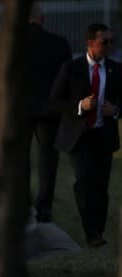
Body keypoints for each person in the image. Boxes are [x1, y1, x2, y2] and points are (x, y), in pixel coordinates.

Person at [50, 23, 122, 248]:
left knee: (101, 186)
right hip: (79, 137)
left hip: (104, 135)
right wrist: (80, 105)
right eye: (104, 42)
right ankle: (91, 232)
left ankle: (97, 232)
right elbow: (54, 101)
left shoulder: (116, 69)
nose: (109, 46)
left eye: (111, 41)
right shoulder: (72, 68)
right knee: (84, 182)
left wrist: (116, 110)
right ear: (90, 43)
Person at [27, 1, 73, 223]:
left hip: (20, 110)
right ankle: (44, 208)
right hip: (49, 109)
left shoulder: (13, 43)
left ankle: (22, 203)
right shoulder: (59, 43)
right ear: (42, 19)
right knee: (48, 159)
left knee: (18, 157)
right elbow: (68, 79)